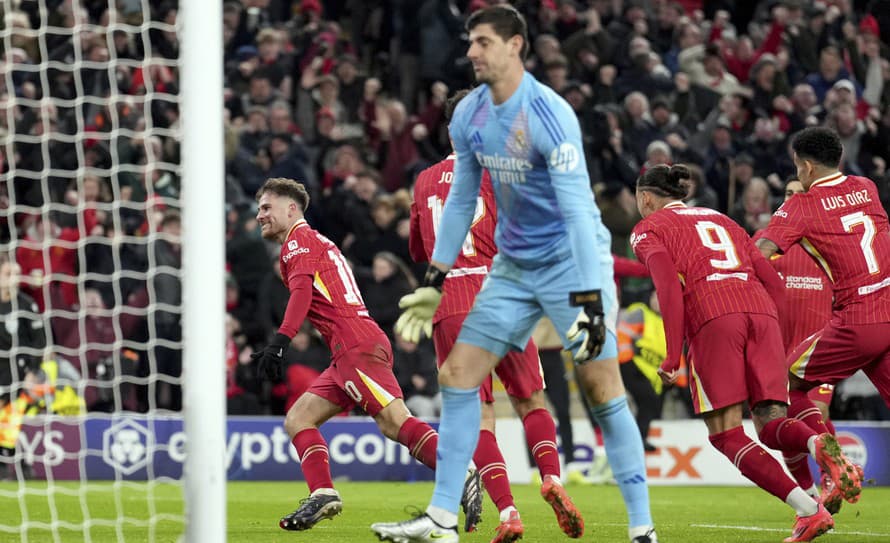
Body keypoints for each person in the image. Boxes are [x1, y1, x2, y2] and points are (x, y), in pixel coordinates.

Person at [372, 6, 656, 543]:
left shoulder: (550, 116)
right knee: (458, 378)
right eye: (469, 42)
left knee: (601, 387)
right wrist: (433, 281)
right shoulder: (468, 117)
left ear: (515, 46)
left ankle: (642, 527)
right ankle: (439, 520)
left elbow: (577, 211)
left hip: (572, 262)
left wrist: (593, 300)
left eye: (481, 42)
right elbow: (459, 201)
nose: (471, 52)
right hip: (509, 267)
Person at [632, 163, 858, 542]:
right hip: (763, 313)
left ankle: (809, 510)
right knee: (769, 423)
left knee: (725, 433)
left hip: (714, 316)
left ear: (646, 198)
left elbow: (668, 286)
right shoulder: (723, 220)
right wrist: (778, 338)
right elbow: (774, 282)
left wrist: (673, 356)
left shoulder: (648, 228)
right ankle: (817, 443)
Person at [402, 89, 583, 543]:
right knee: (530, 401)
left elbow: (420, 250)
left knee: (479, 416)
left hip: (450, 301)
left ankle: (507, 512)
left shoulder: (424, 180)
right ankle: (552, 479)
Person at [252, 177, 481, 532]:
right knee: (298, 419)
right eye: (259, 209)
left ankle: (461, 471)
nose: (260, 215)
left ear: (291, 208)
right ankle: (324, 492)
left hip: (354, 346)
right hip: (349, 347)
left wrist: (281, 339)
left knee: (394, 421)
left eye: (267, 207)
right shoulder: (312, 241)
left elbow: (301, 293)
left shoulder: (298, 241)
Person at [758, 127, 885, 509]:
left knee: (779, 387)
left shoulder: (803, 206)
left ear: (808, 166)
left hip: (859, 320)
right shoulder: (867, 187)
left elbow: (760, 251)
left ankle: (831, 464)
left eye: (798, 166)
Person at [756, 176, 837, 509]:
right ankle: (810, 490)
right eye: (787, 194)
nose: (791, 198)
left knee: (816, 409)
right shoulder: (764, 242)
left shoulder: (828, 245)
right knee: (782, 421)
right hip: (775, 348)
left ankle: (832, 475)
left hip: (818, 346)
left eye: (797, 193)